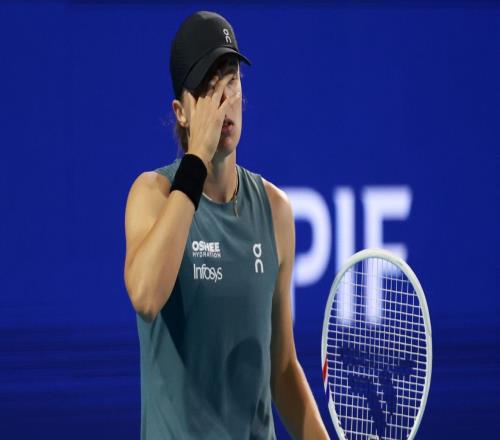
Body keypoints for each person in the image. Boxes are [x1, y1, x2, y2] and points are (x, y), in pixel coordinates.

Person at [124, 10, 330, 440]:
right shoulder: (152, 194)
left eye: (231, 80)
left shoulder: (275, 210)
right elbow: (145, 296)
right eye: (208, 86)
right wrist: (197, 159)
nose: (224, 100)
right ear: (181, 112)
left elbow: (282, 368)